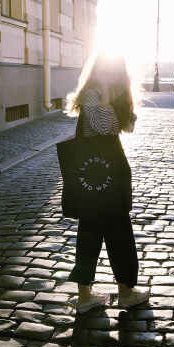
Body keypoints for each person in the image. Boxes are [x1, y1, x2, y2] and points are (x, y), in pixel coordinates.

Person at [66, 54, 149, 314]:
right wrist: (104, 94)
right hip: (100, 179)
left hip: (105, 177)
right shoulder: (93, 93)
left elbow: (129, 125)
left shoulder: (109, 94)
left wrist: (121, 98)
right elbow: (103, 126)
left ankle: (89, 295)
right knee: (112, 234)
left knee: (99, 233)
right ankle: (115, 293)